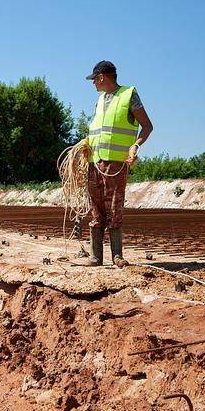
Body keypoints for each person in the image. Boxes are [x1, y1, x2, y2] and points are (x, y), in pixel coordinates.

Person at [84, 61, 153, 267]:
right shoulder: (99, 100)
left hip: (116, 164)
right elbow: (98, 130)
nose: (93, 83)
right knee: (95, 208)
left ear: (102, 77)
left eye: (94, 79)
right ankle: (96, 257)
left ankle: (117, 256)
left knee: (114, 207)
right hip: (94, 161)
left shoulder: (129, 95)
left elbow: (147, 126)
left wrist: (135, 146)